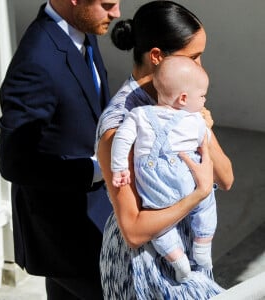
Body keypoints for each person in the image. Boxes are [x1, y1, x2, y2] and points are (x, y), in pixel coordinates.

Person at [96, 1, 234, 299]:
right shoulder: (119, 126)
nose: (200, 67)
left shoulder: (183, 98)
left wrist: (204, 127)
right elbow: (132, 231)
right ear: (157, 56)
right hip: (145, 271)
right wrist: (197, 194)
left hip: (189, 258)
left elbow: (225, 177)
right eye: (194, 57)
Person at [0, 0, 120, 299]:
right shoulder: (36, 61)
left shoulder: (84, 29)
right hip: (62, 235)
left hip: (91, 221)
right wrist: (96, 168)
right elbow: (14, 163)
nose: (116, 13)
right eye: (107, 4)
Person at [111, 55, 217, 283]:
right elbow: (204, 144)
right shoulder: (195, 121)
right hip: (185, 175)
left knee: (159, 221)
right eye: (202, 96)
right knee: (206, 204)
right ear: (183, 98)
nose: (204, 100)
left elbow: (122, 139)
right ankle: (203, 245)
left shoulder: (138, 114)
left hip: (152, 179)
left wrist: (119, 168)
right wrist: (207, 127)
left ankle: (177, 259)